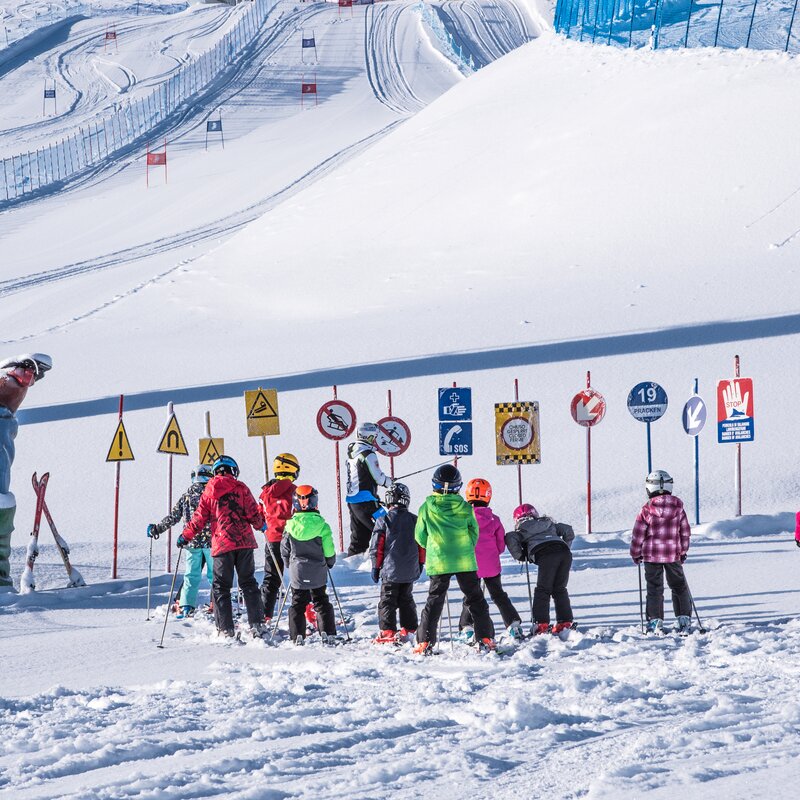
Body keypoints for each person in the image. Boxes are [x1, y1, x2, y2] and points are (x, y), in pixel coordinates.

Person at [180, 455, 267, 639]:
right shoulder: (241, 488)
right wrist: (261, 525)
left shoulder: (209, 492)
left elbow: (198, 519)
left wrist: (185, 536)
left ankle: (225, 628)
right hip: (244, 543)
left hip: (222, 545)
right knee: (249, 583)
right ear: (232, 470)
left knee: (221, 587)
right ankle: (257, 624)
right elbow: (253, 513)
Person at [413, 464, 496, 654]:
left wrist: (433, 547)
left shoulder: (426, 508)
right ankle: (485, 637)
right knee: (475, 599)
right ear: (458, 486)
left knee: (434, 600)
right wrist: (465, 546)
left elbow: (420, 536)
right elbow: (473, 532)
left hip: (439, 560)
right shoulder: (465, 508)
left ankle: (424, 642)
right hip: (464, 559)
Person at [459, 478, 523, 642]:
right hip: (491, 566)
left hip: (470, 565)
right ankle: (513, 625)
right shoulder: (494, 519)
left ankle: (467, 628)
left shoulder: (463, 519)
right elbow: (500, 546)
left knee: (471, 597)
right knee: (498, 595)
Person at [630, 470, 692, 634]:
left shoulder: (647, 510)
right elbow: (685, 532)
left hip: (651, 556)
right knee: (679, 586)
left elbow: (638, 534)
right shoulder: (679, 509)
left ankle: (655, 621)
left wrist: (635, 553)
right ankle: (683, 618)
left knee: (654, 589)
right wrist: (683, 551)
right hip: (673, 555)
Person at [147, 464, 213, 619]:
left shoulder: (186, 497)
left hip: (190, 542)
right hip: (212, 542)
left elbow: (173, 517)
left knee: (191, 575)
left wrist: (157, 529)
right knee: (215, 576)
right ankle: (216, 604)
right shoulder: (213, 495)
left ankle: (185, 606)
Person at [506, 503, 575, 636]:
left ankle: (541, 624)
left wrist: (521, 555)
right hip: (564, 553)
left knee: (543, 589)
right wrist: (565, 545)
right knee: (559, 588)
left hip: (545, 554)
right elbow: (568, 530)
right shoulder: (548, 523)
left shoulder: (522, 529)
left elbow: (510, 537)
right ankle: (564, 622)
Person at [281, 485, 338, 644]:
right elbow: (329, 550)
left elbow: (284, 549)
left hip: (298, 572)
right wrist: (330, 562)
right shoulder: (322, 526)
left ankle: (297, 635)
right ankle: (328, 632)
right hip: (318, 571)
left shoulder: (290, 526)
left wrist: (288, 564)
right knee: (321, 601)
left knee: (298, 603)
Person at [369, 482, 424, 644]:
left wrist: (375, 566)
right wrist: (420, 563)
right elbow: (422, 544)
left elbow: (377, 546)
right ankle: (410, 628)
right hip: (409, 570)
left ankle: (388, 631)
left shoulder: (383, 520)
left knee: (387, 600)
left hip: (390, 570)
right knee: (406, 598)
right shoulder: (415, 520)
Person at [259, 453, 300, 622]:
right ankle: (308, 614)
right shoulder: (296, 491)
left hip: (272, 540)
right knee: (301, 577)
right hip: (294, 539)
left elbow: (259, 516)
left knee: (271, 578)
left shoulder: (265, 493)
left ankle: (264, 616)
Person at [345, 422, 393, 555]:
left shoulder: (352, 453)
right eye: (374, 437)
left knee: (359, 537)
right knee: (387, 527)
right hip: (367, 501)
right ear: (369, 437)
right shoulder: (368, 454)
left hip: (353, 501)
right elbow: (378, 477)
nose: (375, 440)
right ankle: (392, 558)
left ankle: (352, 565)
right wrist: (390, 482)